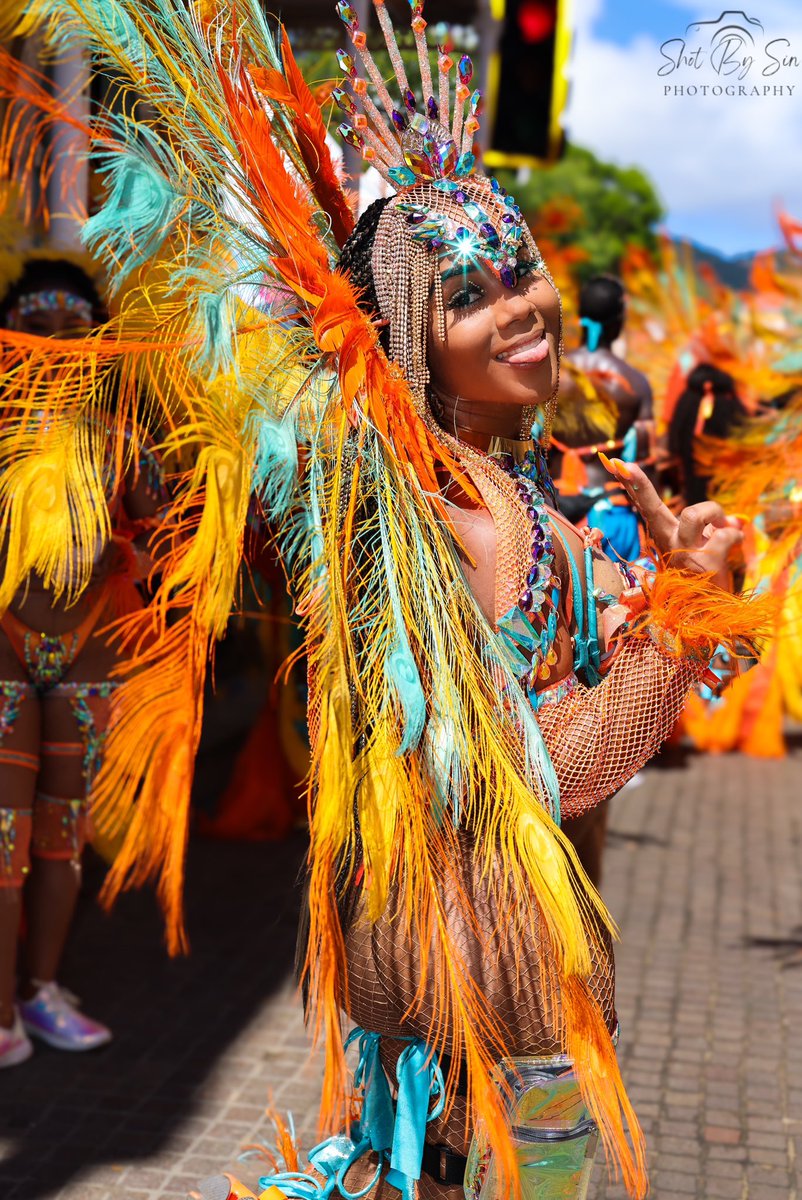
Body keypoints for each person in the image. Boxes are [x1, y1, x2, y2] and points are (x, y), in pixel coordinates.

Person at [0, 3, 771, 1195]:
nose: (519, 306)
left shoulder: (511, 491)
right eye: (472, 297)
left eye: (521, 272)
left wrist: (679, 591)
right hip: (473, 970)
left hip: (479, 963)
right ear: (413, 334)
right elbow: (544, 768)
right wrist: (680, 617)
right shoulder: (442, 514)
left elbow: (642, 680)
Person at [0, 254, 165, 1066]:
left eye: (76, 330)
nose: (59, 345)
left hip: (90, 649)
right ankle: (0, 1019)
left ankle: (40, 993)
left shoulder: (121, 438)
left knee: (61, 836)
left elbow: (163, 528)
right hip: (4, 647)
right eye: (38, 328)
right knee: (3, 836)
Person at [552, 274, 655, 564]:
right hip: (615, 519)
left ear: (581, 316)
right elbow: (644, 467)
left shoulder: (551, 377)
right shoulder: (635, 383)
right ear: (618, 319)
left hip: (557, 513)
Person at [669, 362, 745, 506]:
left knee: (697, 500)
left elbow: (675, 434)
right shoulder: (729, 400)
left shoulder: (687, 398)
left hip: (693, 464)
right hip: (722, 468)